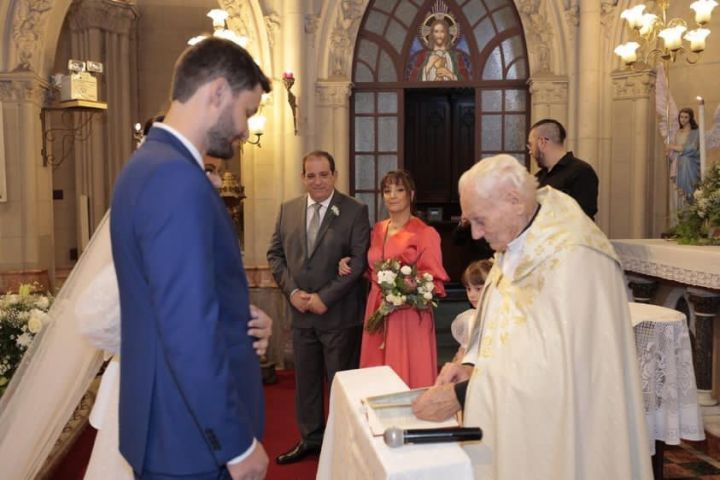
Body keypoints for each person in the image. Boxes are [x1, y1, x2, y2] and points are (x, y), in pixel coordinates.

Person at [412, 154, 652, 479]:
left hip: (565, 434)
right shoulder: (522, 237)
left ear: (514, 200)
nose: (477, 235)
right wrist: (470, 366)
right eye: (471, 222)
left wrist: (460, 396)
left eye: (480, 220)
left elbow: (554, 373)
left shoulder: (574, 258)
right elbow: (504, 328)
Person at [110, 37, 272, 480]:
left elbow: (172, 295)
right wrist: (235, 445)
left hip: (175, 432)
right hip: (191, 443)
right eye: (247, 112)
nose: (244, 130)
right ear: (217, 92)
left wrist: (238, 314)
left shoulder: (151, 165)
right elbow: (186, 328)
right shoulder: (175, 180)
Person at [267, 150, 370, 465]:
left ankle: (344, 443)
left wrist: (324, 297)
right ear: (302, 178)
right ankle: (311, 440)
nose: (317, 181)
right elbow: (275, 255)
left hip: (338, 315)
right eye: (310, 175)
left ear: (334, 175)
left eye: (323, 174)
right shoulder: (288, 210)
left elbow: (358, 261)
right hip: (301, 315)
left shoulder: (354, 210)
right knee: (306, 384)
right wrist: (294, 291)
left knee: (341, 384)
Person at [347, 170, 448, 388]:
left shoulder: (424, 233)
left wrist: (404, 290)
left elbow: (433, 279)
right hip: (376, 307)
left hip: (408, 315)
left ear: (410, 195)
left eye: (399, 190)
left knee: (405, 371)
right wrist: (347, 262)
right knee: (376, 371)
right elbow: (370, 266)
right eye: (387, 190)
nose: (392, 195)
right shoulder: (378, 229)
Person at [529, 118, 599, 220]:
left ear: (542, 142)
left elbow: (583, 218)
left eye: (531, 145)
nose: (530, 151)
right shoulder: (539, 177)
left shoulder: (581, 171)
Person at [450, 259, 492, 361]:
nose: (471, 295)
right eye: (468, 289)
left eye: (478, 289)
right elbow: (463, 350)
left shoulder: (503, 318)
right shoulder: (469, 319)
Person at [666, 107, 701, 205]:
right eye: (681, 117)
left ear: (690, 118)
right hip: (677, 165)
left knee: (689, 192)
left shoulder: (695, 132)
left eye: (686, 117)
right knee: (677, 192)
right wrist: (670, 152)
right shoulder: (677, 133)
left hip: (689, 166)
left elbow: (692, 148)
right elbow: (674, 152)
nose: (683, 119)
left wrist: (673, 147)